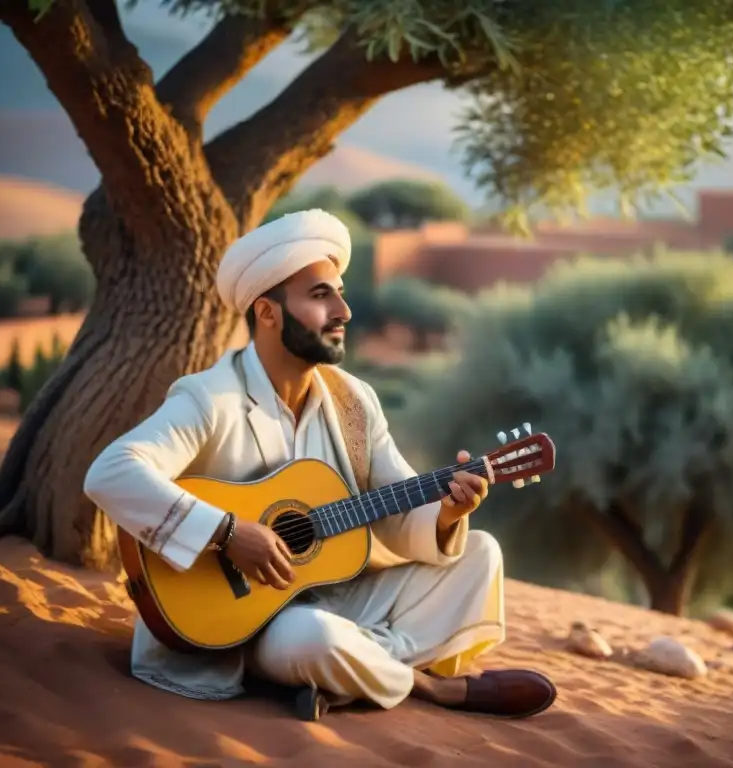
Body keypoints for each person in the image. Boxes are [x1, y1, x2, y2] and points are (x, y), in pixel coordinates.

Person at [83, 209, 556, 719]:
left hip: (335, 600)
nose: (344, 311)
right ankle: (433, 687)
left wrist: (446, 515)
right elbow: (110, 472)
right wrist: (226, 532)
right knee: (312, 637)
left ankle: (352, 669)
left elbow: (395, 509)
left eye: (340, 292)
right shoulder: (210, 397)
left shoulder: (353, 401)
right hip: (251, 626)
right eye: (320, 295)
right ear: (267, 313)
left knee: (481, 554)